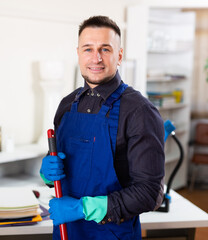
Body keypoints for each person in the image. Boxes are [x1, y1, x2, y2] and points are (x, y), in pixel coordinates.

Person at [40, 15, 165, 240]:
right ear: (78, 53)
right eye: (88, 49)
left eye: (105, 49)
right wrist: (49, 175)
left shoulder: (139, 111)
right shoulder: (66, 105)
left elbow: (149, 193)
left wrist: (82, 208)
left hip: (113, 234)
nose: (96, 58)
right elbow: (68, 170)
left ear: (119, 55)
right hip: (66, 232)